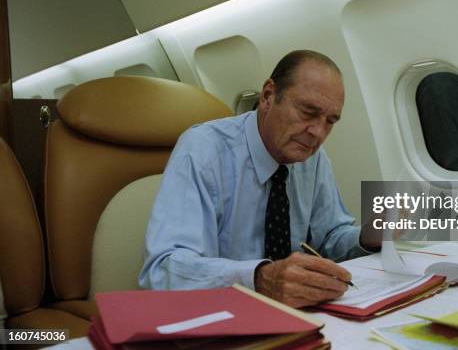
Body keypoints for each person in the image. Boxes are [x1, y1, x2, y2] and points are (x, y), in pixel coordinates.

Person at [139, 50, 380, 308]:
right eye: (308, 112)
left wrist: (369, 235)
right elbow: (163, 269)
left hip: (294, 313)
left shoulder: (313, 158)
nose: (318, 133)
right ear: (268, 96)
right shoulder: (203, 149)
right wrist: (260, 279)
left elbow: (330, 237)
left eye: (330, 121)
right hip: (220, 313)